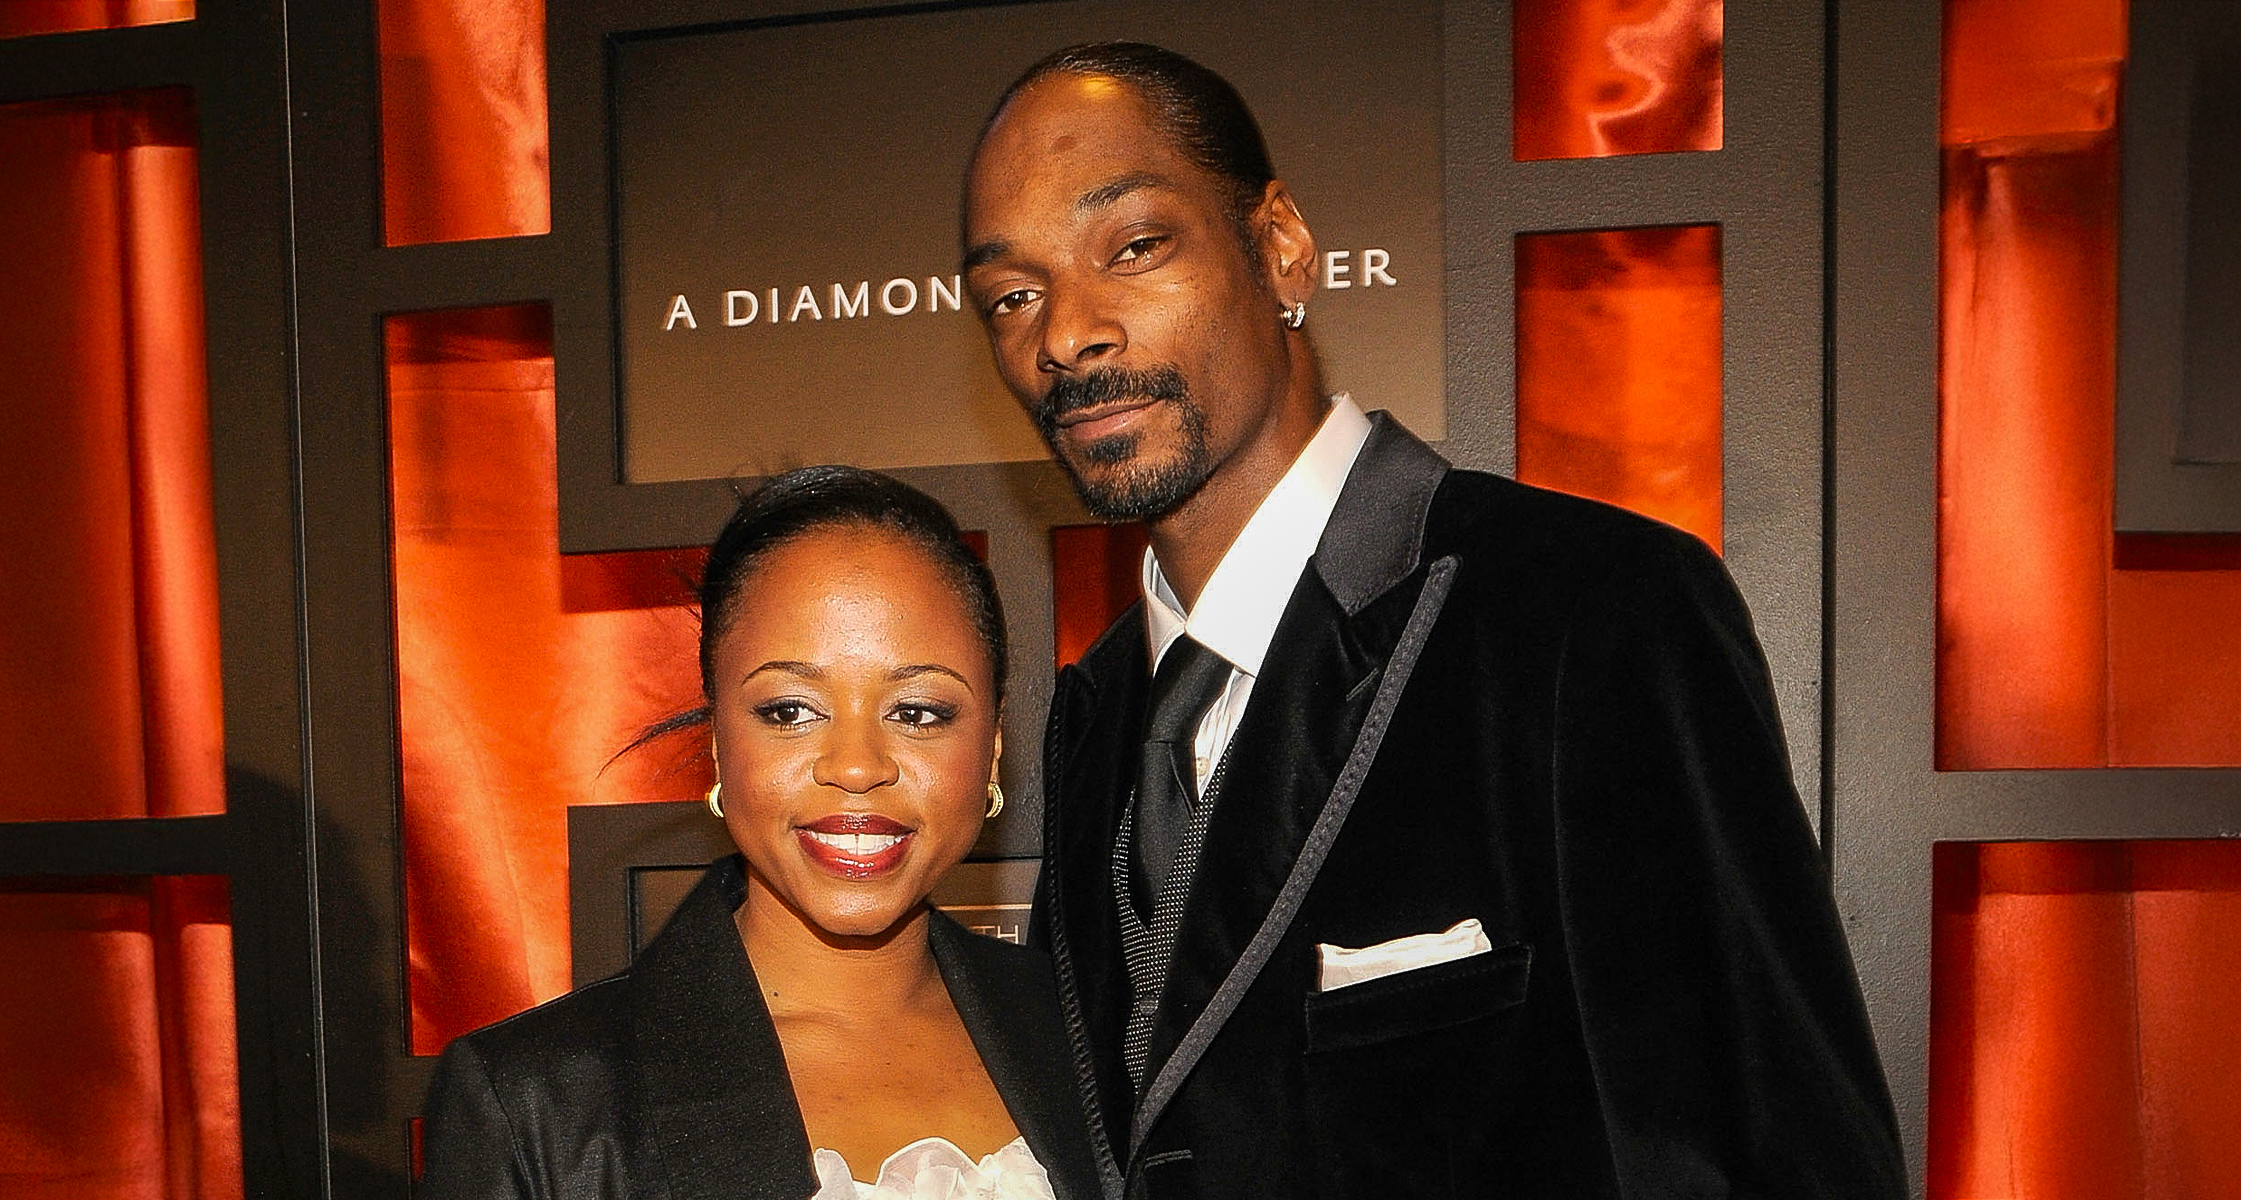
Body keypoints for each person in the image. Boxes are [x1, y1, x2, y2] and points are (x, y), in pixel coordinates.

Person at [960, 42, 1908, 1199]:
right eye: (1013, 294)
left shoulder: (1591, 611)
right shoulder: (1096, 710)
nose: (1067, 334)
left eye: (1136, 247)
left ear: (1282, 247)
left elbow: (1787, 1151)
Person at [420, 466, 1099, 1200]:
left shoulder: (1096, 1033)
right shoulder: (536, 1105)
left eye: (918, 711)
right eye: (789, 711)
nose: (857, 767)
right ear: (718, 738)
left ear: (993, 742)